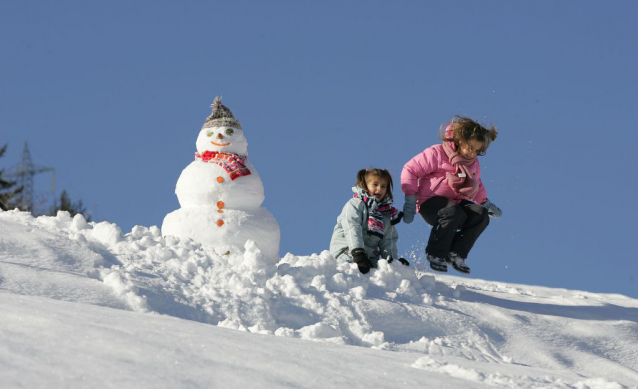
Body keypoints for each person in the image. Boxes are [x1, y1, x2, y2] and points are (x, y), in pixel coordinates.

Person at [400, 116, 502, 274]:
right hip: (430, 203)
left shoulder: (473, 163)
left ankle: (456, 254)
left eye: (477, 151)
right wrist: (410, 198)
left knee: (480, 215)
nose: (473, 153)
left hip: (456, 204)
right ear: (460, 140)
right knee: (452, 212)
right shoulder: (437, 153)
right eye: (471, 147)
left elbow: (476, 184)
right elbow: (411, 169)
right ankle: (436, 254)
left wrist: (485, 204)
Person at [330, 168, 409, 274]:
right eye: (375, 184)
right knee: (352, 273)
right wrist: (358, 253)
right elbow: (352, 228)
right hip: (346, 252)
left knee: (375, 279)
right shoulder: (355, 204)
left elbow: (387, 241)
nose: (379, 189)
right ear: (365, 185)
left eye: (383, 186)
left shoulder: (385, 214)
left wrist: (393, 262)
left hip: (369, 258)